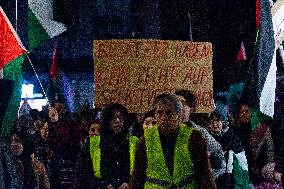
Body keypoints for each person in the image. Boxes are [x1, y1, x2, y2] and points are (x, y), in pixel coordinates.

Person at [130, 93, 216, 188]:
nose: (164, 118)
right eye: (160, 113)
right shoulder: (145, 139)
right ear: (155, 115)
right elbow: (137, 175)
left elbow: (204, 172)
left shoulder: (194, 137)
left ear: (179, 115)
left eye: (169, 112)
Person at [175, 90, 226, 179]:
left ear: (191, 108)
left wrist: (206, 178)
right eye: (175, 103)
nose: (178, 106)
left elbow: (221, 162)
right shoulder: (164, 131)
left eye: (183, 103)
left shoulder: (200, 132)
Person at [234, 102, 275, 186]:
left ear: (251, 113)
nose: (244, 114)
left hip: (262, 165)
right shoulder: (235, 130)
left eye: (247, 111)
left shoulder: (262, 128)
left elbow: (270, 149)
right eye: (242, 112)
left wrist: (270, 165)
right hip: (245, 167)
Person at [208, 110, 248, 189]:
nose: (214, 124)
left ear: (222, 121)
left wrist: (228, 153)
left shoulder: (231, 135)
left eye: (217, 120)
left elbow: (240, 153)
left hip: (231, 175)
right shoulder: (206, 137)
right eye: (211, 121)